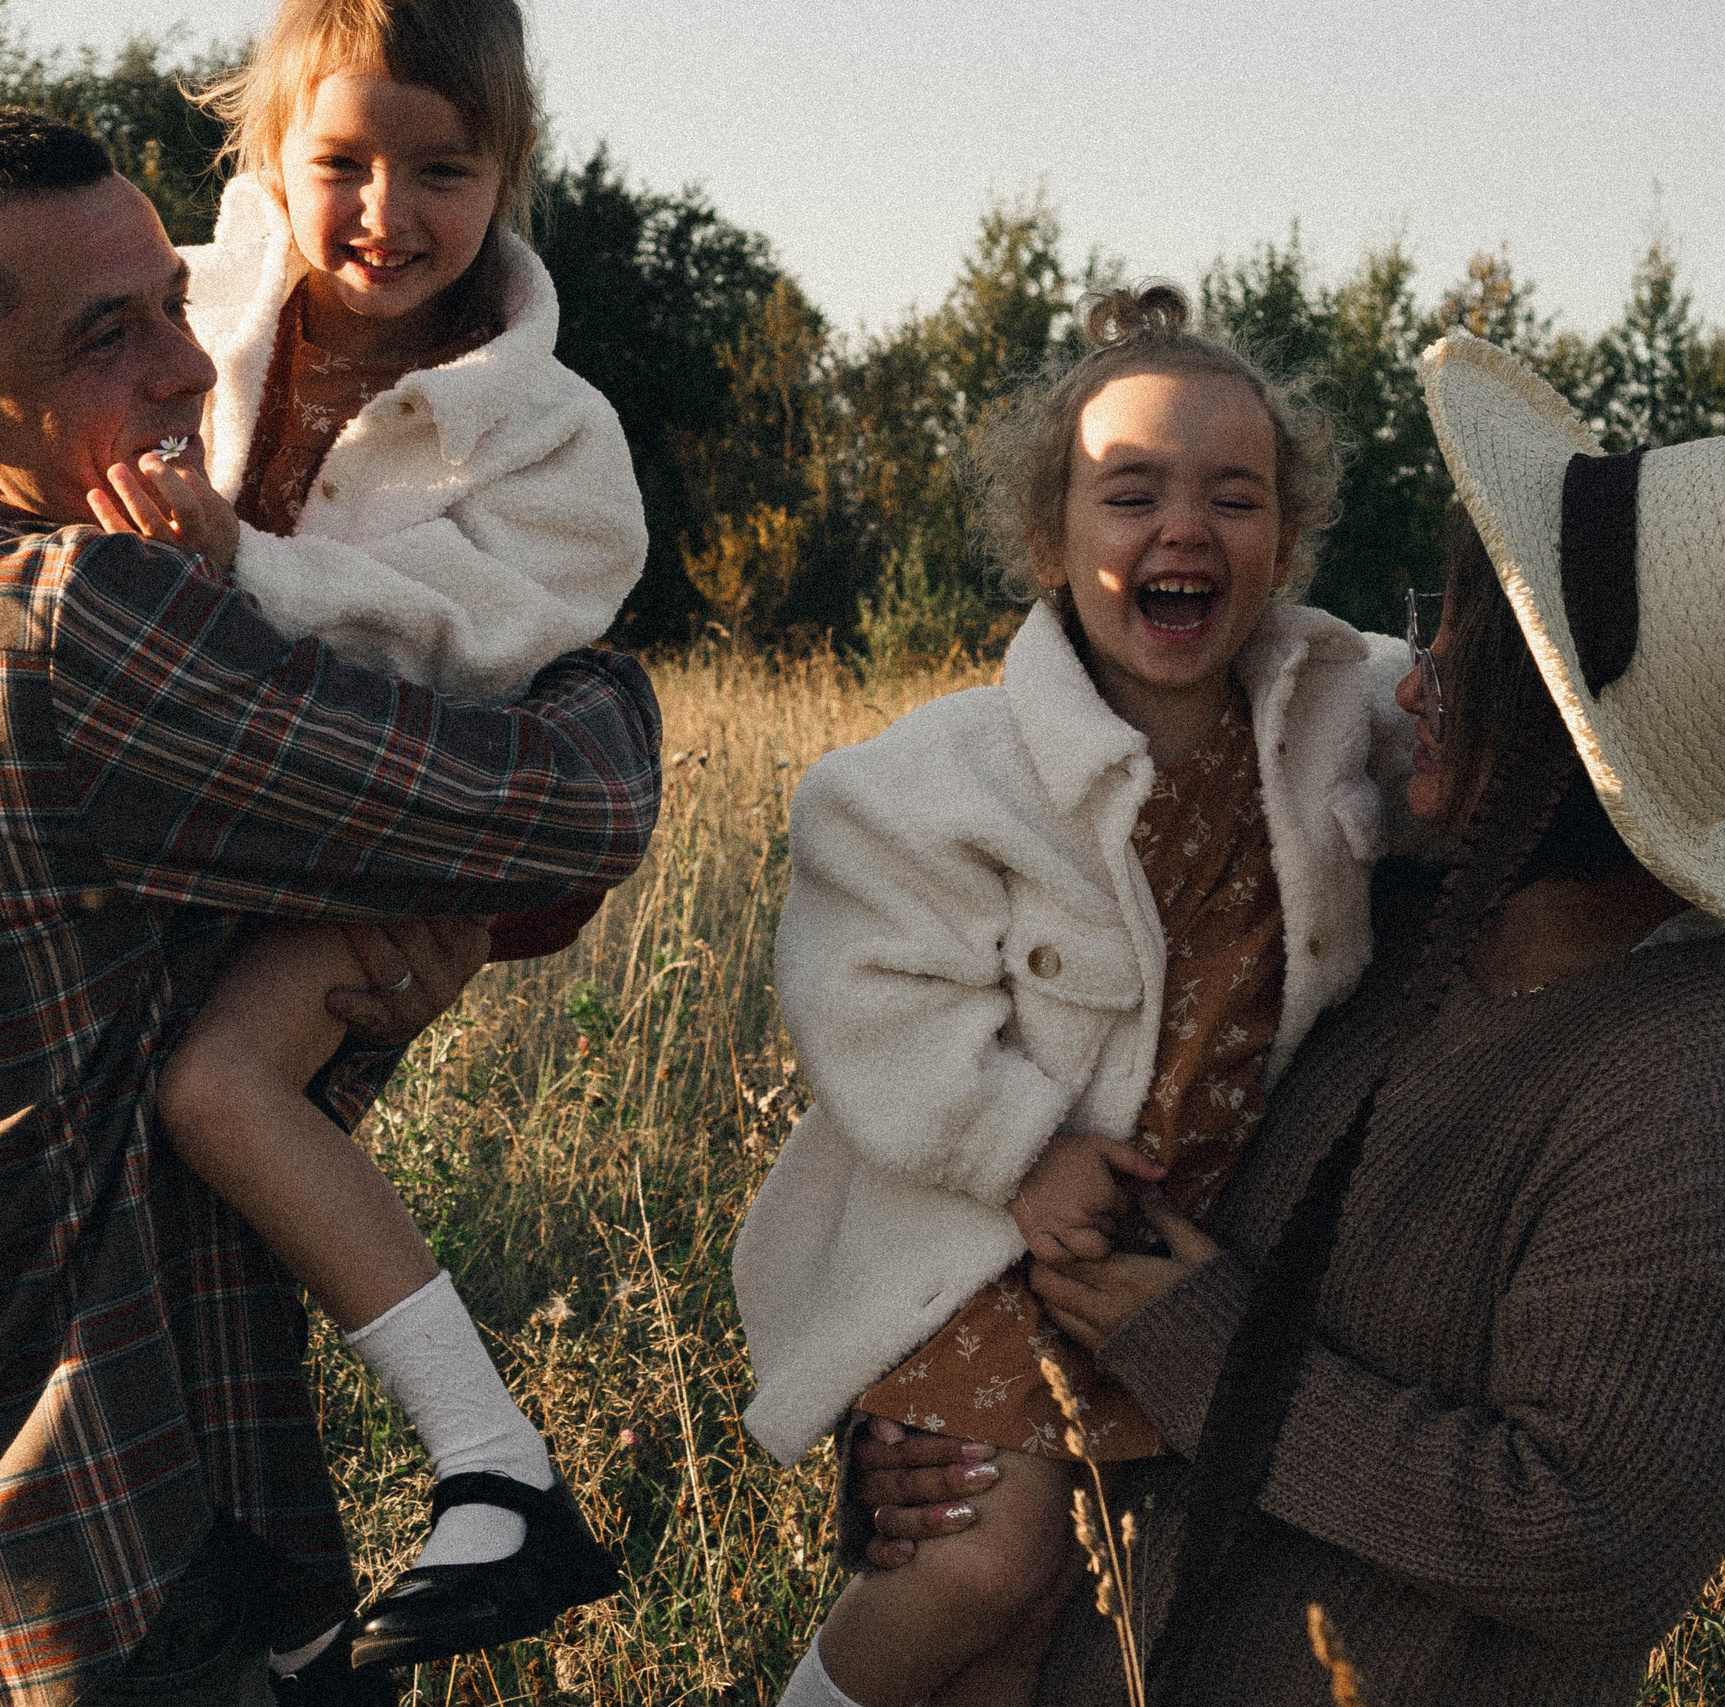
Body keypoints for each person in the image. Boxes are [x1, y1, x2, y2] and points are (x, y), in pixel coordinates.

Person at [0, 98, 657, 1707]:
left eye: (179, 297)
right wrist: (578, 662)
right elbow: (573, 809)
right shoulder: (73, 634)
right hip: (89, 1588)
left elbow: (132, 1069)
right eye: (112, 335)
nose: (191, 367)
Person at [852, 330, 1725, 1705]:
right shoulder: (1380, 912)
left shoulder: (1700, 1100)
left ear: (1574, 748)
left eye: (1473, 654)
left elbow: (1601, 1548)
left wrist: (1207, 1352)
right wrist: (942, 1426)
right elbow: (1074, 1126)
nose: (1414, 681)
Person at [732, 282, 1414, 1707]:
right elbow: (867, 987)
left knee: (1034, 1643)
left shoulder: (1339, 710)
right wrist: (1019, 1149)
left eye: (1236, 498)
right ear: (1051, 540)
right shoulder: (948, 776)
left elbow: (1481, 723)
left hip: (1174, 1262)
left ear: (1284, 541)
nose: (1186, 529)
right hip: (992, 1242)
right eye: (1132, 495)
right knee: (982, 1568)